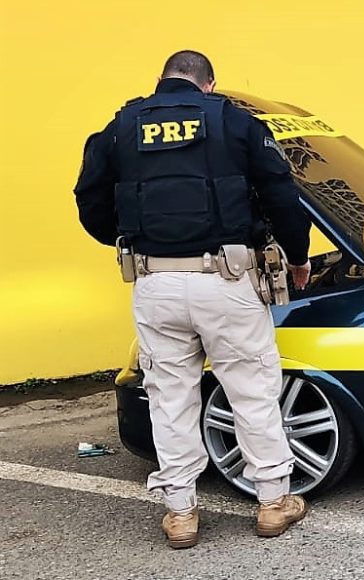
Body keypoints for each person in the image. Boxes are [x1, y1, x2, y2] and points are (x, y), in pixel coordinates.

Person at [73, 50, 313, 549]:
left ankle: (181, 513)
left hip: (155, 282)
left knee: (169, 397)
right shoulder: (232, 121)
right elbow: (281, 194)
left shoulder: (120, 127)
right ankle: (273, 503)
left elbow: (89, 198)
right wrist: (298, 255)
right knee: (251, 388)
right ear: (209, 84)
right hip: (226, 278)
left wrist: (128, 241)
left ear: (161, 81)